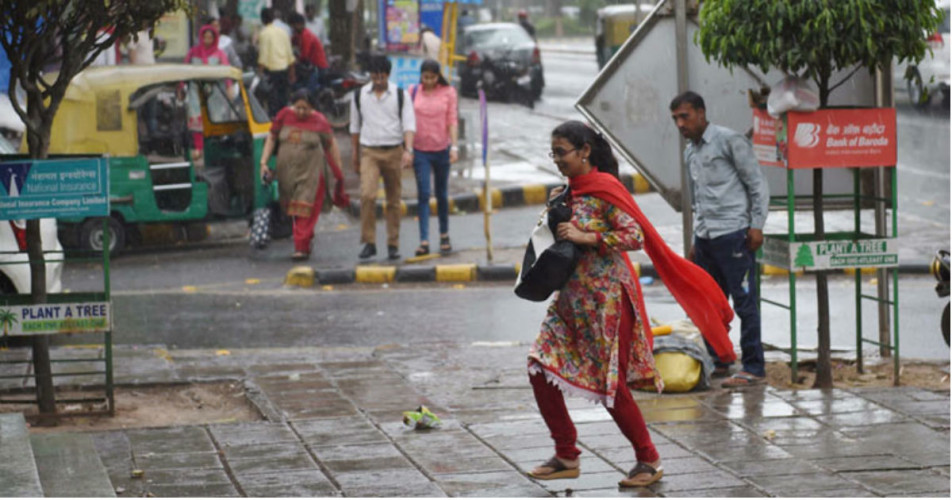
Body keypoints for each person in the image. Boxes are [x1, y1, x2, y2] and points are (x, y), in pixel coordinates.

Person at [526, 121, 734, 487]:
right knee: (538, 366)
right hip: (571, 301)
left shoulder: (607, 189)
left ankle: (648, 460)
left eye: (562, 153)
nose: (557, 160)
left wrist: (586, 235)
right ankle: (566, 454)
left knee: (612, 386)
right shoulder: (570, 192)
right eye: (554, 153)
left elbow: (633, 235)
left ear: (584, 151)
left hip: (607, 302)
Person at [669, 91, 770, 388]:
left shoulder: (729, 141)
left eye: (685, 116)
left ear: (701, 113)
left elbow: (757, 184)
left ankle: (753, 366)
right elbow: (699, 199)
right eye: (675, 118)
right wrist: (695, 239)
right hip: (706, 237)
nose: (680, 124)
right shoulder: (691, 151)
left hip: (734, 233)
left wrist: (756, 225)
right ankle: (721, 359)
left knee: (745, 302)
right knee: (709, 303)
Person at [259, 89, 347, 260]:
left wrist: (339, 169)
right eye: (297, 108)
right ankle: (305, 241)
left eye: (305, 109)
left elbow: (330, 145)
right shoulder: (284, 116)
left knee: (305, 208)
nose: (300, 112)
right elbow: (271, 137)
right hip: (287, 174)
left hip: (311, 174)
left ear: (312, 108)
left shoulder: (319, 121)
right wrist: (264, 162)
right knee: (294, 210)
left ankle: (300, 247)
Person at [349, 55, 416, 261]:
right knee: (368, 196)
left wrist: (408, 150)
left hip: (394, 150)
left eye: (382, 76)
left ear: (388, 74)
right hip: (369, 151)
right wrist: (355, 154)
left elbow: (408, 124)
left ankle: (393, 244)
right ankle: (369, 242)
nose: (378, 80)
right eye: (375, 76)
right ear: (370, 75)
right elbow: (354, 127)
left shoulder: (400, 95)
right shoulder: (359, 95)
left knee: (393, 200)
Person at [408, 59, 458, 256]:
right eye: (424, 77)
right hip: (420, 150)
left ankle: (444, 235)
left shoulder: (448, 93)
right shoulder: (413, 92)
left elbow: (452, 120)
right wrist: (408, 149)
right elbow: (408, 121)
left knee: (442, 194)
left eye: (432, 77)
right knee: (423, 194)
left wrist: (454, 147)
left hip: (442, 149)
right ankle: (424, 239)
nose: (427, 81)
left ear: (438, 77)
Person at [184, 24, 229, 159]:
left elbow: (226, 71)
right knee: (196, 117)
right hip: (195, 90)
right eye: (205, 37)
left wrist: (229, 86)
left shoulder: (220, 54)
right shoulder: (193, 52)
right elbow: (184, 70)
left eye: (210, 37)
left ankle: (212, 149)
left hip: (213, 92)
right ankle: (199, 148)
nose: (207, 40)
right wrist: (181, 87)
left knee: (214, 118)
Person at [257, 7, 296, 118]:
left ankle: (275, 124)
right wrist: (292, 73)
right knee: (283, 99)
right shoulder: (283, 32)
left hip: (271, 72)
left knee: (272, 101)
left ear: (263, 19)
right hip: (284, 70)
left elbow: (263, 56)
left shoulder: (264, 33)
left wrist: (259, 73)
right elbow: (290, 54)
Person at [288, 11, 328, 92]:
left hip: (317, 67)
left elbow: (304, 55)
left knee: (309, 92)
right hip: (311, 66)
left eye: (293, 25)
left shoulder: (306, 35)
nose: (292, 28)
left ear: (299, 24)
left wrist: (294, 60)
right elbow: (290, 42)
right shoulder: (299, 35)